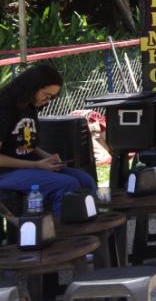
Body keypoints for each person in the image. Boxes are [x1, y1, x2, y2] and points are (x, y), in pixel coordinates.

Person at [0, 64, 98, 215]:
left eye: (52, 97)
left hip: (27, 167)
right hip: (6, 173)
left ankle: (89, 227)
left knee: (85, 180)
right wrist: (36, 165)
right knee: (66, 184)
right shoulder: (5, 108)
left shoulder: (29, 106)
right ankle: (61, 233)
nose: (48, 100)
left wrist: (47, 157)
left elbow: (26, 144)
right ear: (33, 87)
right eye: (47, 94)